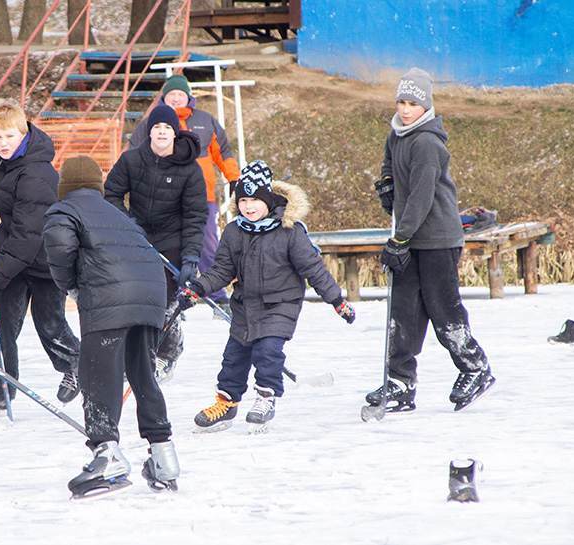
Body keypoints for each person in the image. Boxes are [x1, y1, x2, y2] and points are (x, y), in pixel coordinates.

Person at [43, 155, 178, 498]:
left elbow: (59, 248)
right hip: (150, 297)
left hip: (108, 300)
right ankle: (163, 456)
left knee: (97, 374)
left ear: (66, 186)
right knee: (143, 374)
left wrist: (71, 285)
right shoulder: (119, 216)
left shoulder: (64, 210)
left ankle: (107, 453)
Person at [184, 160, 355, 432]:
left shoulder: (289, 231)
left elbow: (313, 268)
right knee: (233, 358)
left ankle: (266, 397)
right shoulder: (234, 231)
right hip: (245, 305)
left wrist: (337, 300)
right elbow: (221, 270)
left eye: (254, 200)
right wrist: (198, 287)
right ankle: (226, 403)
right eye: (242, 200)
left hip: (281, 304)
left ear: (268, 199)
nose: (248, 206)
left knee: (267, 352)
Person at [368, 68, 494, 412]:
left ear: (426, 105)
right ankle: (399, 382)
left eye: (412, 103)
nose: (405, 109)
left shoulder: (426, 142)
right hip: (411, 238)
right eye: (401, 102)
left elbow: (422, 197)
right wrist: (387, 184)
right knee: (403, 311)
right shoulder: (397, 135)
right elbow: (388, 165)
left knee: (442, 308)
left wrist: (399, 238)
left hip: (437, 237)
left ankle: (475, 367)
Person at [0, 101, 81, 415]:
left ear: (24, 134)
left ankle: (78, 366)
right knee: (0, 324)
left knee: (50, 324)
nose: (3, 143)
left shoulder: (36, 172)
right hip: (17, 255)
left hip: (44, 259)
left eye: (9, 136)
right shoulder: (4, 164)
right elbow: (5, 194)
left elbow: (29, 235)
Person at [104, 105, 207, 381]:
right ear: (150, 132)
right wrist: (127, 224)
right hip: (138, 239)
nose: (162, 132)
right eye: (157, 128)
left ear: (175, 133)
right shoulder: (131, 160)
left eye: (168, 128)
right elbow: (111, 194)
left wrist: (190, 258)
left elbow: (196, 216)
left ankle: (168, 354)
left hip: (172, 241)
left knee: (165, 303)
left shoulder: (190, 170)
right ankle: (138, 356)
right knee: (136, 300)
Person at [129, 75, 242, 303]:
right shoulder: (151, 124)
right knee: (168, 247)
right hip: (163, 196)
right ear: (164, 98)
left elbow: (223, 152)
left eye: (180, 95)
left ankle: (217, 294)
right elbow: (133, 154)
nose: (177, 99)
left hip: (203, 196)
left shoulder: (206, 120)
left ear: (188, 97)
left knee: (208, 243)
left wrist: (234, 178)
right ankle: (172, 295)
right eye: (172, 95)